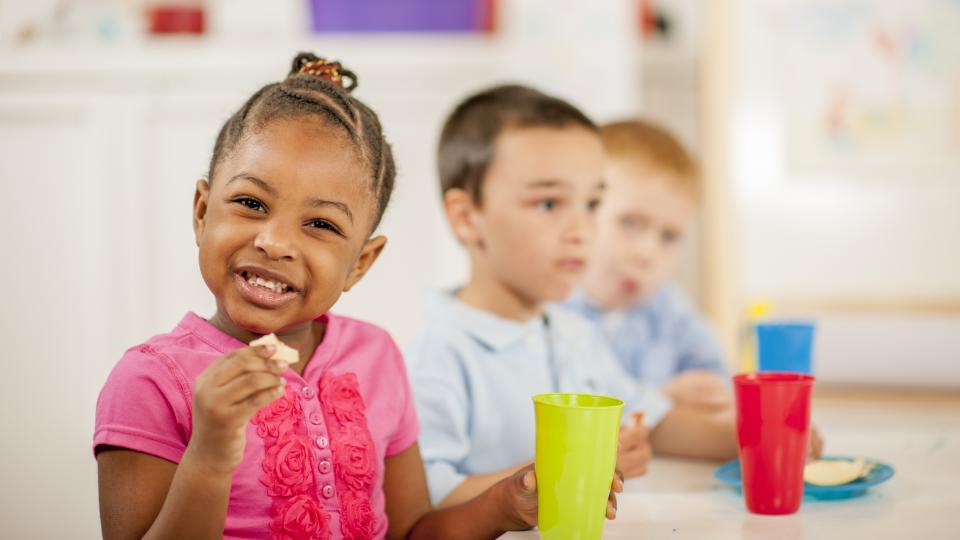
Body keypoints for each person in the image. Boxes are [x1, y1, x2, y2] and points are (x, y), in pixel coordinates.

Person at [93, 54, 621, 540]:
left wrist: (505, 505)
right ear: (202, 210)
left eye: (321, 224)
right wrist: (209, 455)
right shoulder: (150, 382)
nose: (274, 241)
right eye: (251, 203)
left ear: (361, 263)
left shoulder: (378, 359)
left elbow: (412, 531)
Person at [407, 85, 741, 510]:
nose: (582, 230)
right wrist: (573, 466)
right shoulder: (438, 357)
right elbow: (426, 500)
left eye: (592, 203)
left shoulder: (575, 335)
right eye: (549, 203)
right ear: (467, 217)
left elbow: (654, 419)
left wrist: (755, 440)